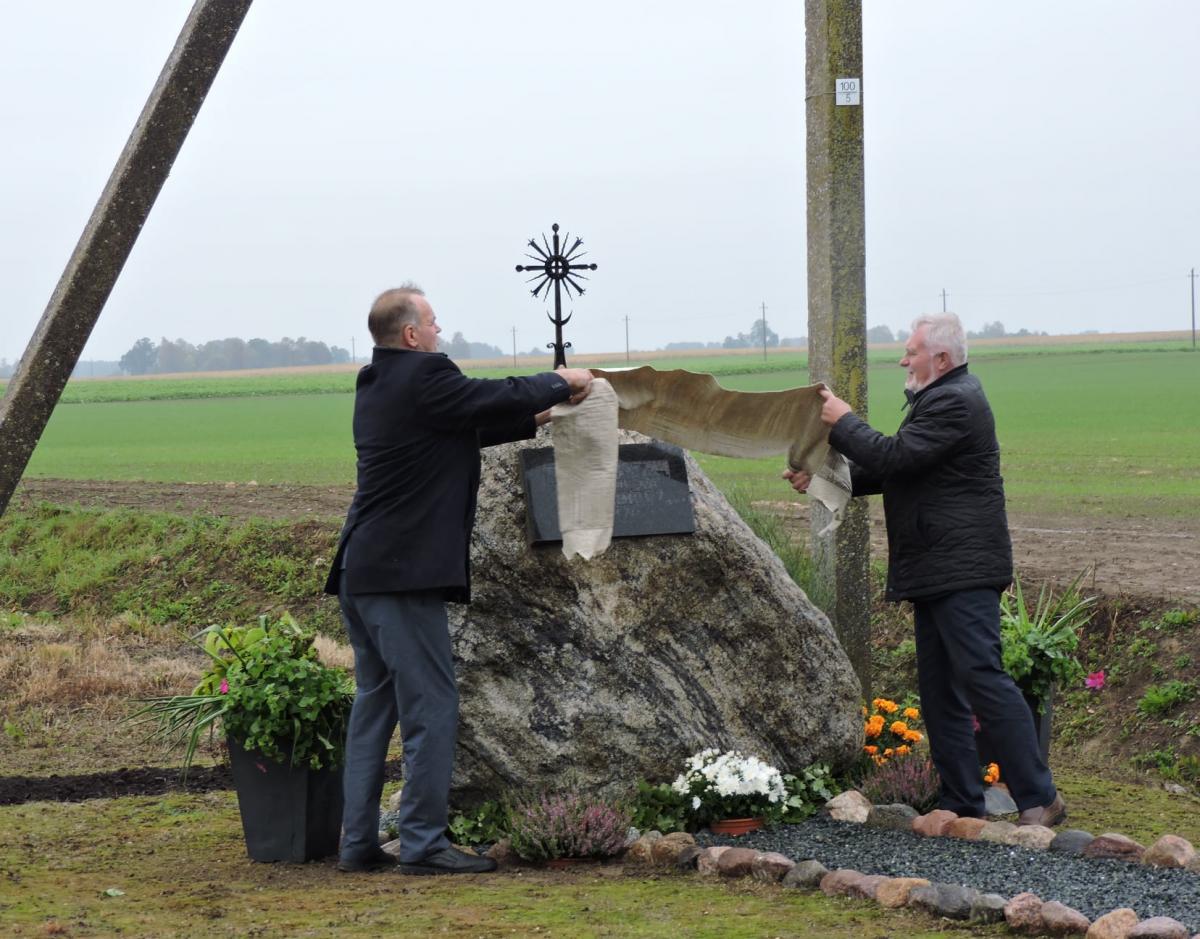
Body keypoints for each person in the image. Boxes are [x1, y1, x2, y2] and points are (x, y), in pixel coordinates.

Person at [325, 284, 594, 874]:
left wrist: (543, 413)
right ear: (412, 335)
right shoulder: (424, 375)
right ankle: (422, 844)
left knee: (376, 705)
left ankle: (357, 842)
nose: (440, 332)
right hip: (401, 577)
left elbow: (463, 424)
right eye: (434, 323)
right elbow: (478, 397)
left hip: (361, 570)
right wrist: (561, 380)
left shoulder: (378, 383)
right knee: (432, 705)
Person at [783, 312, 1065, 826]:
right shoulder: (937, 400)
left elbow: (893, 458)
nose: (902, 358)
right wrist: (820, 474)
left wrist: (842, 421)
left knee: (983, 678)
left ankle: (1038, 797)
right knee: (939, 691)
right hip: (937, 568)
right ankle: (960, 801)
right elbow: (901, 468)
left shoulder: (957, 401)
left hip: (962, 569)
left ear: (940, 358)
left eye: (910, 350)